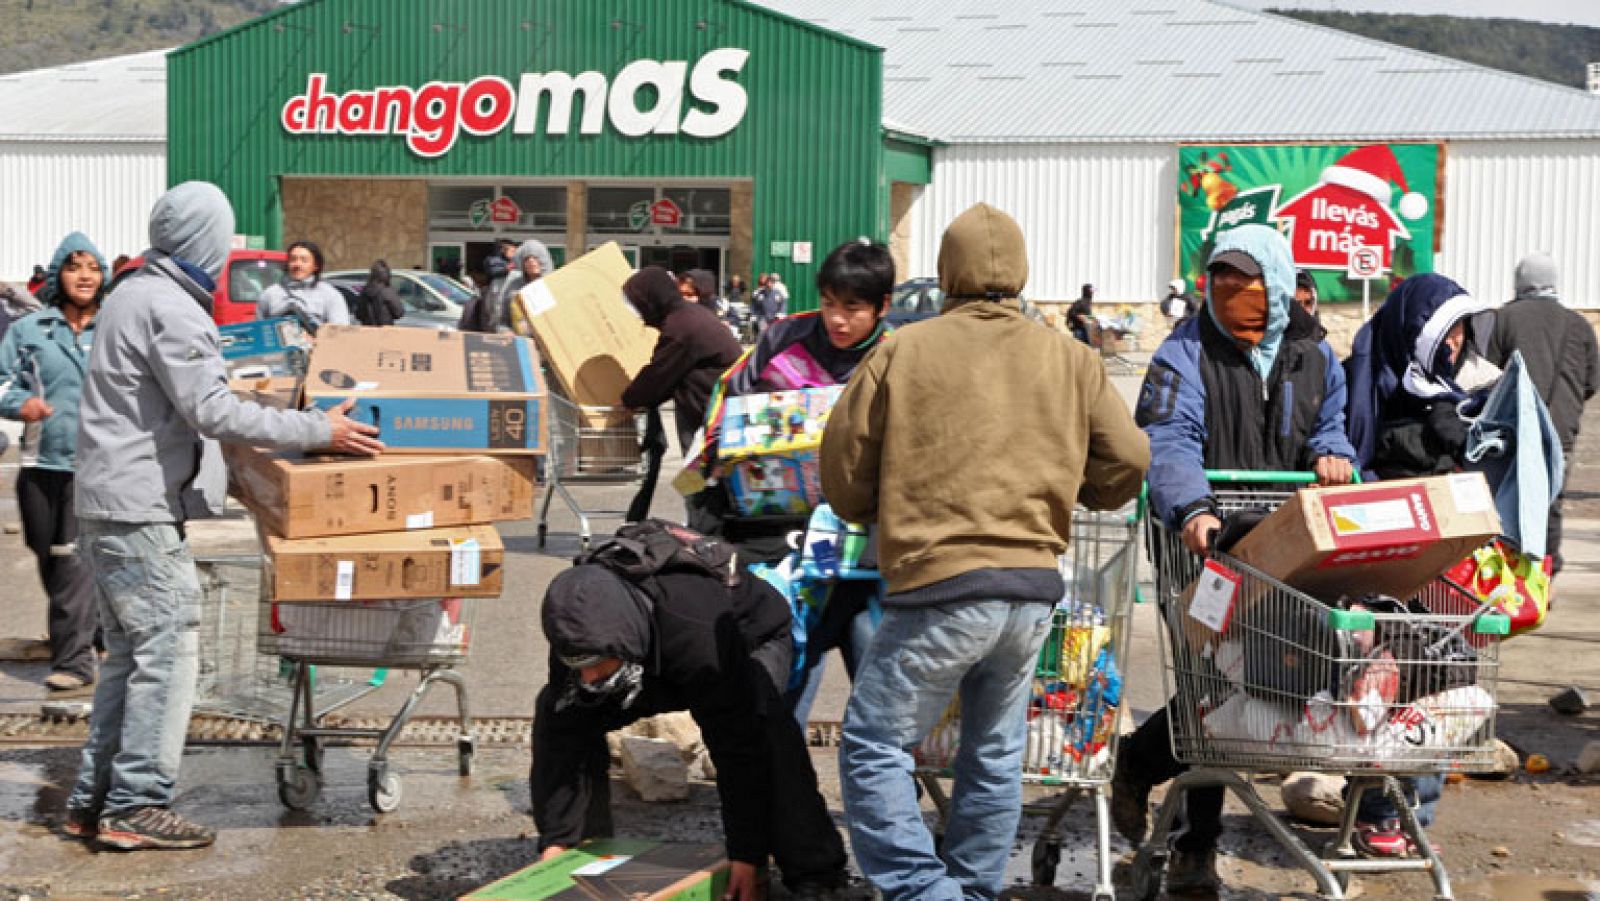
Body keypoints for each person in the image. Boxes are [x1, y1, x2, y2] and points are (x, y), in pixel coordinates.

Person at [820, 204, 1150, 901]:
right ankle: (970, 888)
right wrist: (1082, 489)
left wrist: (867, 506)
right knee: (994, 752)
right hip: (1030, 589)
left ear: (947, 271)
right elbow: (1128, 457)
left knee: (874, 743)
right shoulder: (1070, 355)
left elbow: (845, 466)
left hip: (938, 586)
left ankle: (922, 888)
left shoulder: (905, 348)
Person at [65, 182, 384, 851]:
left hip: (105, 498)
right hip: (136, 506)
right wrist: (313, 427)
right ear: (206, 239)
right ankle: (138, 801)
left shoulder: (130, 291)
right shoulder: (170, 305)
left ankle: (94, 797)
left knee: (129, 654)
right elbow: (208, 408)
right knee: (170, 647)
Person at [1115, 223, 1358, 893]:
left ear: (1277, 286)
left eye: (1245, 284)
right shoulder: (1182, 354)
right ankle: (1197, 838)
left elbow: (1331, 425)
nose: (1230, 296)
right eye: (1219, 283)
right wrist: (1193, 507)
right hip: (1207, 550)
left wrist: (1332, 456)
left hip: (1286, 547)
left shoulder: (1315, 355)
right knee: (1211, 688)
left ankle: (1140, 758)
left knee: (1267, 683)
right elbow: (1168, 440)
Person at [530, 555, 850, 901]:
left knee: (765, 729)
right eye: (578, 666)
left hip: (746, 639)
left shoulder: (696, 629)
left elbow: (738, 747)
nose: (588, 677)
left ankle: (816, 874)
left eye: (595, 665)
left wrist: (746, 855)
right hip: (640, 653)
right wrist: (558, 839)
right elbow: (564, 739)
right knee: (561, 715)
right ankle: (583, 848)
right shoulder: (577, 636)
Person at [696, 239, 896, 715]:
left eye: (853, 308)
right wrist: (719, 459)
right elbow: (727, 401)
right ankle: (779, 770)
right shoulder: (782, 337)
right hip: (777, 536)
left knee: (873, 673)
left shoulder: (898, 355)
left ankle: (883, 773)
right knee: (785, 662)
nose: (837, 320)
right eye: (829, 304)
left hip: (863, 547)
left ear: (882, 306)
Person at [1342, 272, 1489, 857]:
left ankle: (1416, 811)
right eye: (1444, 330)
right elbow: (1355, 457)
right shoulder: (1370, 373)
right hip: (1385, 562)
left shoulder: (1448, 393)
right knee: (1385, 683)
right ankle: (1377, 808)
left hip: (1440, 565)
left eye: (1459, 332)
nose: (1453, 344)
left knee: (1445, 678)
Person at [0, 232, 106, 692]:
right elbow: (2, 384)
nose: (84, 276)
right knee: (47, 556)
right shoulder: (29, 331)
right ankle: (95, 629)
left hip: (96, 467)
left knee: (71, 562)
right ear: (58, 274)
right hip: (42, 464)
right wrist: (20, 403)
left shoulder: (115, 330)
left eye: (93, 268)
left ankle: (75, 661)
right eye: (74, 267)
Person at [1483, 252, 1600, 574]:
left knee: (1506, 498)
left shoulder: (1504, 319)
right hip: (1560, 430)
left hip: (1513, 429)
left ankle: (1507, 575)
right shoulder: (1579, 324)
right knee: (1550, 501)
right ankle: (1545, 576)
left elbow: (1485, 375)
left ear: (1520, 280)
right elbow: (1591, 382)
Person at [619, 267, 743, 458]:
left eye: (640, 305)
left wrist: (628, 400)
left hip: (711, 413)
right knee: (711, 478)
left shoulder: (681, 326)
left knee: (705, 478)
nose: (641, 314)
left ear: (652, 300)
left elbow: (658, 375)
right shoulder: (690, 314)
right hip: (722, 406)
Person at [255, 240, 350, 329]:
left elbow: (340, 333)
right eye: (293, 259)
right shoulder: (269, 294)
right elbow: (259, 331)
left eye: (304, 260)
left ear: (316, 265)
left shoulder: (330, 295)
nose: (297, 264)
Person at [500, 238, 555, 331]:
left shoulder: (554, 285)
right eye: (527, 259)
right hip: (522, 342)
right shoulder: (513, 287)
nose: (531, 261)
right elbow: (502, 322)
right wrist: (505, 332)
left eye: (535, 257)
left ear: (544, 260)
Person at [353, 260, 405, 327]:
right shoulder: (387, 291)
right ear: (387, 274)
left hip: (368, 332)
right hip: (385, 331)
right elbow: (399, 313)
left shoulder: (364, 292)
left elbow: (358, 315)